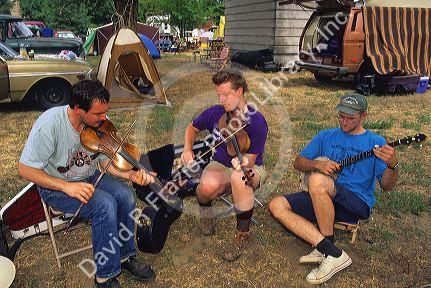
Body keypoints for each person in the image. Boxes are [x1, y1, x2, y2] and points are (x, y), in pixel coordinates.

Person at [18, 80, 156, 288]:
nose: (104, 118)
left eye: (105, 113)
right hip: (57, 188)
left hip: (90, 177)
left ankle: (125, 257)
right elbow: (24, 169)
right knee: (105, 205)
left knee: (126, 196)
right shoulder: (49, 125)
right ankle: (104, 276)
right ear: (77, 108)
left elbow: (103, 162)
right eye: (98, 114)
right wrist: (66, 187)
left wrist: (130, 175)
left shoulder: (99, 123)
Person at [269, 92, 399, 285]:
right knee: (276, 205)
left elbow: (387, 186)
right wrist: (317, 165)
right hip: (322, 198)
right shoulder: (325, 136)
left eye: (350, 118)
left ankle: (328, 250)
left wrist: (392, 165)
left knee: (317, 182)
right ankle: (329, 250)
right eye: (341, 116)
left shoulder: (376, 142)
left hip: (355, 203)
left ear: (364, 116)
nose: (344, 122)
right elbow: (298, 162)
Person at [181, 69, 268, 262]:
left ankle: (242, 234)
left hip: (251, 168)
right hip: (220, 164)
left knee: (240, 177)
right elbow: (192, 127)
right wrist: (187, 149)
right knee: (205, 188)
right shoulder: (216, 113)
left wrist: (243, 162)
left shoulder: (257, 120)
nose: (221, 100)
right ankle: (206, 213)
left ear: (239, 91)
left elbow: (251, 159)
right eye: (218, 94)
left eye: (225, 94)